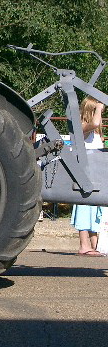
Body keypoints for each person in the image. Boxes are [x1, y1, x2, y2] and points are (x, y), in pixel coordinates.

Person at [70, 96, 106, 256]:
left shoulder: (95, 132)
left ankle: (94, 244)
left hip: (95, 174)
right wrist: (99, 108)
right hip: (85, 174)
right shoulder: (82, 126)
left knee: (95, 208)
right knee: (84, 207)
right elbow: (96, 123)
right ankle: (84, 245)